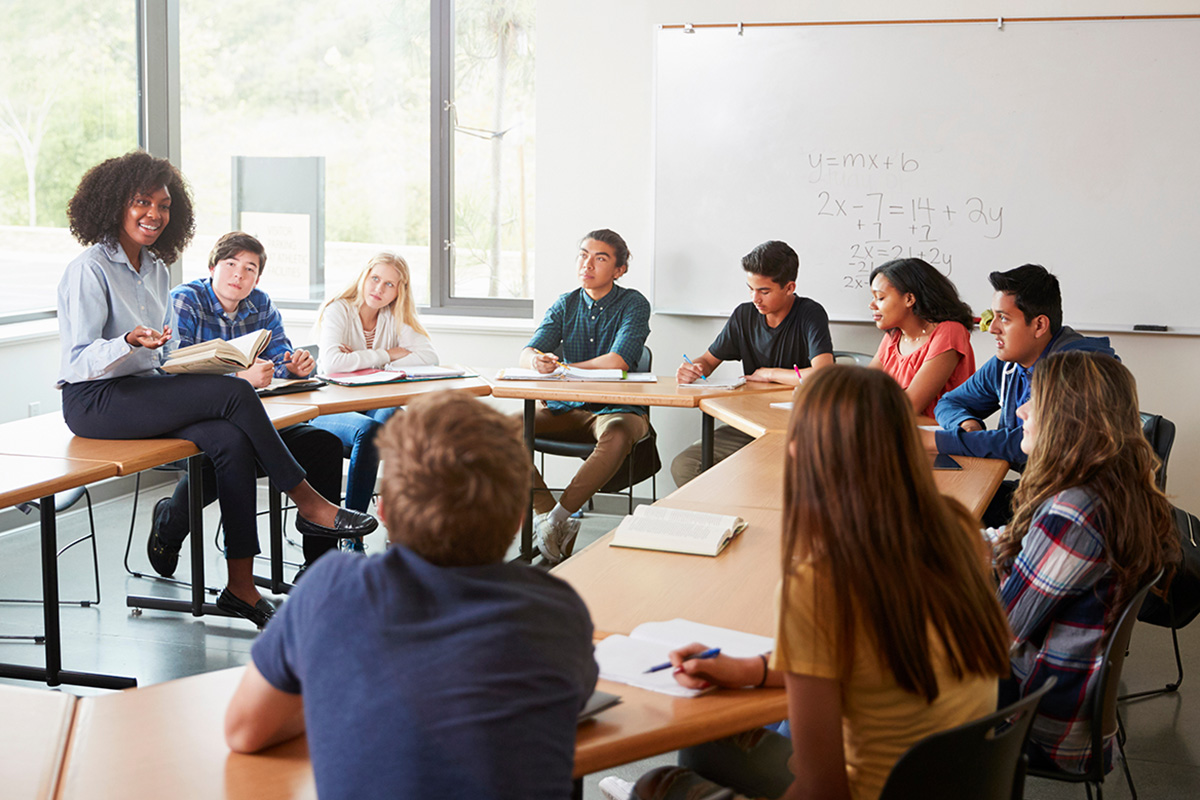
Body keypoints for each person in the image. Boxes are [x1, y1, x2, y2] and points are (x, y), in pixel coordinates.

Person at [623, 366, 1010, 800]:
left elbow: (821, 789)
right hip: (952, 784)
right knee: (708, 741)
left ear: (799, 452)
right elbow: (858, 657)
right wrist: (749, 669)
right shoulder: (955, 531)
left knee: (657, 783)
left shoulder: (820, 582)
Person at [224, 391, 598, 800]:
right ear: (519, 517)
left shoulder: (330, 588)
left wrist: (335, 697)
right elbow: (570, 702)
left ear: (382, 510)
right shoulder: (560, 609)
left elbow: (243, 731)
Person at [58, 151, 376, 628]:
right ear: (113, 204)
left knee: (228, 440)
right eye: (141, 202)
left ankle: (240, 588)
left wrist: (179, 358)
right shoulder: (90, 269)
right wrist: (125, 341)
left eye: (163, 205)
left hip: (145, 388)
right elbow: (77, 360)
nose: (154, 214)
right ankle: (310, 503)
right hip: (94, 400)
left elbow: (163, 356)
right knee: (234, 394)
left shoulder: (156, 269)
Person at [992, 351, 1177, 775]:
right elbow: (1015, 559)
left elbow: (997, 632)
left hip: (1040, 725)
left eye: (1032, 401)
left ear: (1066, 418)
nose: (1020, 410)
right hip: (1064, 704)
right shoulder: (1114, 490)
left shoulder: (1073, 513)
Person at [153, 232, 344, 577]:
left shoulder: (261, 303)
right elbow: (172, 375)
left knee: (324, 444)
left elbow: (278, 357)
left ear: (258, 277)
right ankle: (169, 524)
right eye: (230, 264)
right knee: (231, 449)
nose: (239, 275)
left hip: (254, 420)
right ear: (212, 267)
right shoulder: (184, 301)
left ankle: (320, 568)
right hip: (194, 421)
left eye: (249, 269)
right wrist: (238, 382)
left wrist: (293, 366)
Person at [924, 264, 1117, 526]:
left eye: (1004, 318)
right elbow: (951, 401)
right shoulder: (1008, 362)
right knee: (937, 507)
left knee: (946, 527)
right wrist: (964, 424)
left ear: (1039, 325)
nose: (992, 328)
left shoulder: (1076, 370)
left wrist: (934, 440)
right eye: (993, 316)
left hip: (1073, 510)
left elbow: (1027, 444)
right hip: (1037, 492)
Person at [521, 229, 651, 564]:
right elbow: (528, 351)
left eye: (600, 258)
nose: (587, 264)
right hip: (567, 410)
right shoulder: (566, 303)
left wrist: (563, 366)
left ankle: (556, 520)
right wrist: (537, 360)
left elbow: (617, 361)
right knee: (499, 431)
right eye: (583, 254)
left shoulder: (633, 303)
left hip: (617, 409)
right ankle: (546, 516)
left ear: (619, 270)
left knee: (618, 433)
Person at [671, 240, 834, 487]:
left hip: (800, 427)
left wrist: (770, 373)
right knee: (685, 465)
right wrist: (694, 369)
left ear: (790, 287)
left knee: (773, 480)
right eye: (750, 289)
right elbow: (707, 360)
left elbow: (824, 373)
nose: (755, 298)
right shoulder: (744, 315)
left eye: (764, 291)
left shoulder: (810, 314)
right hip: (749, 423)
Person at [311, 252, 438, 514]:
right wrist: (386, 355)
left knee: (399, 419)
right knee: (371, 432)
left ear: (398, 292)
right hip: (331, 407)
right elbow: (333, 363)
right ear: (364, 276)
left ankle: (403, 521)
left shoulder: (394, 317)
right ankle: (353, 527)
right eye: (375, 278)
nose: (379, 289)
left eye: (389, 284)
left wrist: (360, 361)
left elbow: (429, 358)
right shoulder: (339, 309)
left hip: (373, 404)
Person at [867, 257, 975, 417]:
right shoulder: (894, 335)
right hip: (894, 427)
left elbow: (909, 407)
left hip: (935, 435)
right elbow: (862, 390)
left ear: (909, 299)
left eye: (880, 298)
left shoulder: (950, 332)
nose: (872, 305)